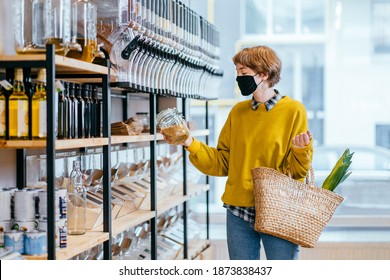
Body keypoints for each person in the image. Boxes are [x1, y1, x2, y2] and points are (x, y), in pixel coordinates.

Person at [166, 45, 313, 260]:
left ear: (264, 74)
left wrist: (301, 150)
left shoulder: (293, 110)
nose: (238, 78)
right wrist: (189, 141)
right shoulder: (238, 112)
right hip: (238, 211)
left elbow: (298, 173)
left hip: (278, 208)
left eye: (243, 73)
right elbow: (221, 163)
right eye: (237, 72)